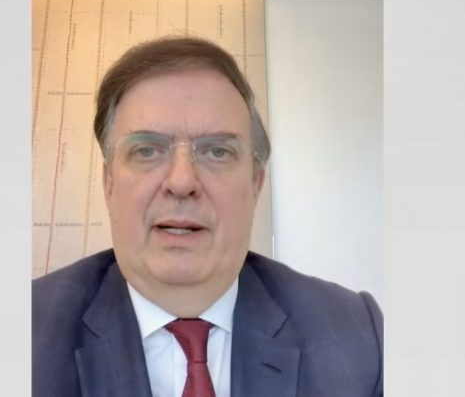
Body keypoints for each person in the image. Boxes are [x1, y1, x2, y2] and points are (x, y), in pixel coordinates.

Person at [32, 37, 383, 397]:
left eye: (217, 151)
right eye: (147, 150)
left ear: (255, 184)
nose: (182, 182)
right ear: (109, 183)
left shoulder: (359, 339)